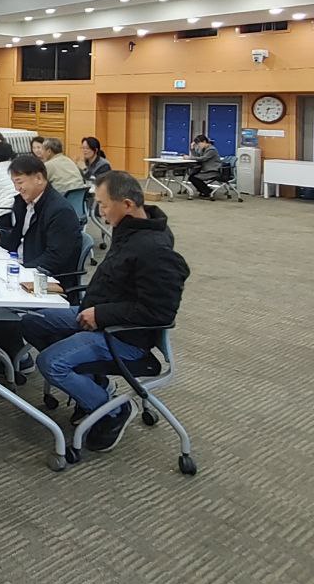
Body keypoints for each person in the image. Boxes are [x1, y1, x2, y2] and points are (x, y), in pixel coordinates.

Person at [18, 170, 189, 453]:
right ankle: (94, 384)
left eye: (104, 205)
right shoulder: (130, 230)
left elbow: (160, 312)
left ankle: (112, 411)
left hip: (124, 337)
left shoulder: (154, 249)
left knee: (51, 363)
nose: (100, 212)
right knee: (32, 321)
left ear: (127, 204)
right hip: (97, 315)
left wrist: (101, 315)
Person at [0, 155, 82, 284]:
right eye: (14, 183)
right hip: (21, 267)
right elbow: (23, 237)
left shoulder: (60, 211)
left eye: (20, 182)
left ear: (39, 178)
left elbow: (56, 257)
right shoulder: (25, 203)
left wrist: (22, 270)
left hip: (44, 280)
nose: (17, 188)